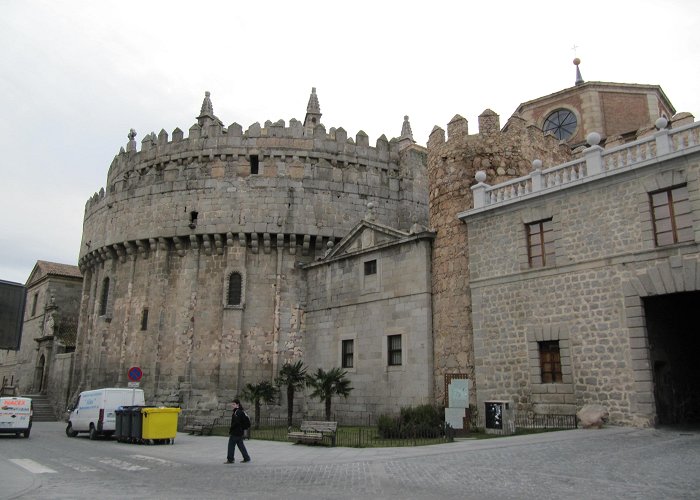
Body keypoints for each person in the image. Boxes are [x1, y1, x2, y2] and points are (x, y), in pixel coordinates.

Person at [225, 399, 251, 464]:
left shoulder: (237, 412)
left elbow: (236, 422)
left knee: (231, 445)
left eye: (234, 404)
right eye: (232, 404)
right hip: (240, 432)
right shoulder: (241, 411)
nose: (232, 405)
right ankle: (246, 458)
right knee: (241, 445)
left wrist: (231, 429)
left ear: (237, 405)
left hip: (235, 432)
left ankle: (230, 459)